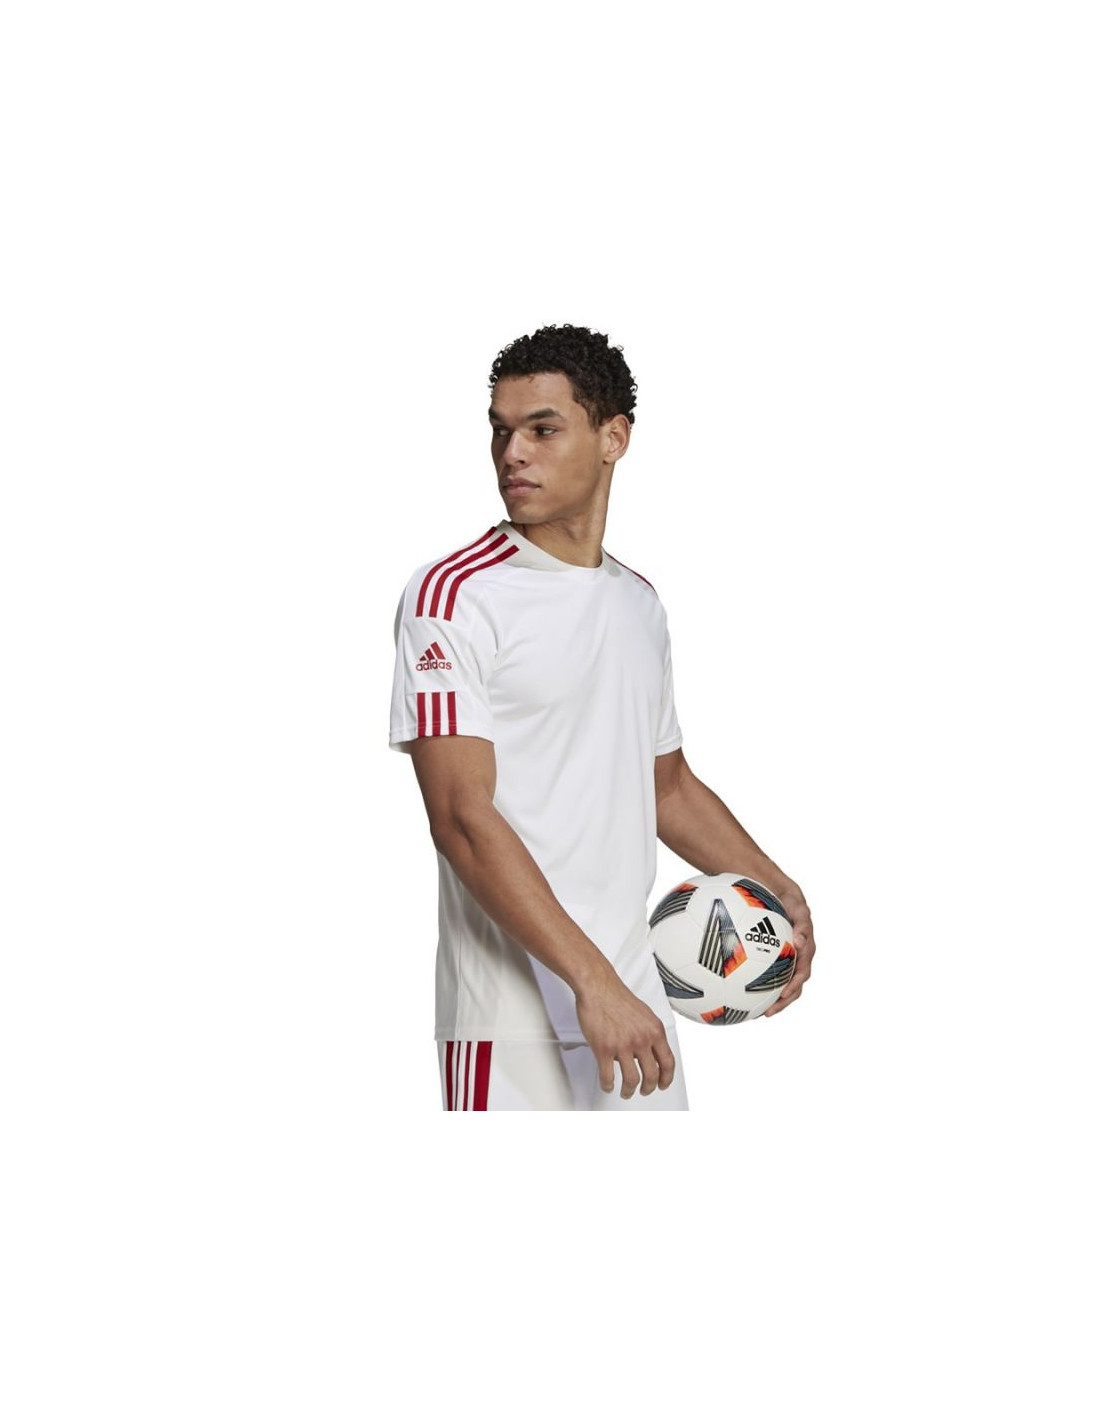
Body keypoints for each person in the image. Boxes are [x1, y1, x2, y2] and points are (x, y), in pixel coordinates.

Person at [388, 323, 816, 1110]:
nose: (513, 453)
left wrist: (776, 888)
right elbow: (461, 818)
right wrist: (593, 981)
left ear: (613, 437)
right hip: (512, 1026)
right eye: (501, 430)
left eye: (543, 429)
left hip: (636, 1010)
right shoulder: (454, 596)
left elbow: (666, 786)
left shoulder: (637, 603)